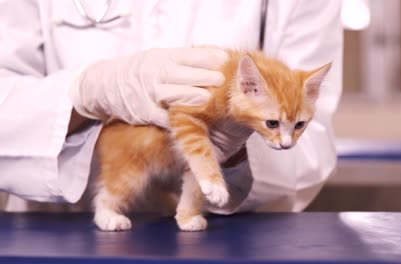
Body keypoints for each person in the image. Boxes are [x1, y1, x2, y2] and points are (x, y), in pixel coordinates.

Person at [0, 0, 343, 213]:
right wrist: (82, 92)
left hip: (233, 241)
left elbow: (312, 145)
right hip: (60, 232)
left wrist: (235, 151)